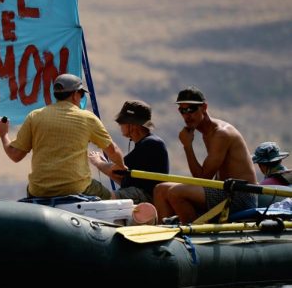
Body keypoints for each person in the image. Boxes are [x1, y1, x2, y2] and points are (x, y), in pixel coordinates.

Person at [0, 73, 125, 200]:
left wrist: (4, 134)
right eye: (81, 95)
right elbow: (113, 151)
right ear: (75, 95)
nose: (81, 99)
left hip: (39, 190)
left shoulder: (34, 116)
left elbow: (15, 155)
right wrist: (121, 166)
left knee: (31, 188)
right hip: (76, 188)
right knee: (112, 198)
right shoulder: (87, 118)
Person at [152, 86, 258, 223]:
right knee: (160, 190)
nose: (187, 115)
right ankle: (165, 236)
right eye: (182, 110)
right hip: (223, 190)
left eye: (191, 109)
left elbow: (203, 178)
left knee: (175, 192)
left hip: (240, 195)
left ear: (204, 107)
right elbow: (203, 180)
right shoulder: (206, 133)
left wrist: (187, 146)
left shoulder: (221, 134)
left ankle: (192, 235)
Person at [89, 100, 169, 204]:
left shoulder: (149, 144)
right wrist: (104, 164)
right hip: (140, 195)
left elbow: (116, 169)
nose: (120, 125)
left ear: (133, 125)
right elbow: (120, 176)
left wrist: (98, 162)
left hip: (144, 196)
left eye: (121, 122)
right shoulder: (148, 143)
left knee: (101, 199)